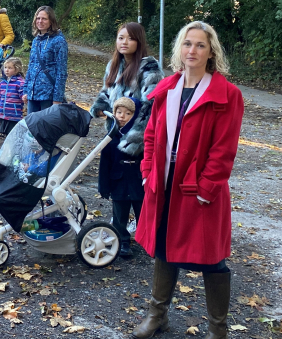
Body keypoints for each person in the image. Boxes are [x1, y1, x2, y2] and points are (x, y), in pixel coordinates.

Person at [132, 21, 244, 339]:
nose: (192, 50)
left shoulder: (227, 95)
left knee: (211, 259)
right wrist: (147, 172)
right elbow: (151, 135)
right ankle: (157, 316)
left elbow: (224, 150)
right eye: (187, 44)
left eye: (200, 45)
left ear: (211, 53)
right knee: (164, 248)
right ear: (179, 49)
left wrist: (208, 188)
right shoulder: (168, 88)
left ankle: (217, 330)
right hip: (164, 184)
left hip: (198, 189)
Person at [91, 22, 163, 158]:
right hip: (113, 131)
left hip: (136, 140)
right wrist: (100, 106)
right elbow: (106, 91)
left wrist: (133, 140)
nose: (125, 42)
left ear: (139, 41)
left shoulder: (149, 68)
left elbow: (151, 106)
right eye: (121, 38)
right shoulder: (113, 66)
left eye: (131, 38)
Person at [97, 96, 144, 258]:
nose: (122, 116)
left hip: (138, 182)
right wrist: (103, 185)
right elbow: (104, 164)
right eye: (119, 112)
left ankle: (145, 239)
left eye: (128, 113)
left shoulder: (141, 137)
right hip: (118, 182)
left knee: (143, 213)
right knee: (119, 215)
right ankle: (122, 240)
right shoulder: (110, 138)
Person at [23, 6, 68, 113]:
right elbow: (31, 67)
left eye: (44, 19)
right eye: (38, 18)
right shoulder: (36, 41)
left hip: (48, 95)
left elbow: (61, 72)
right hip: (33, 94)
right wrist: (26, 90)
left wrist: (57, 98)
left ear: (51, 21)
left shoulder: (59, 41)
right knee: (32, 127)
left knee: (46, 128)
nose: (40, 21)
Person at [0, 57, 26, 136]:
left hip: (14, 114)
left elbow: (23, 97)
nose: (6, 70)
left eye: (10, 68)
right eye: (5, 67)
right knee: (2, 136)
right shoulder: (2, 83)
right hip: (3, 114)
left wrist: (25, 97)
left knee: (13, 135)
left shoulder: (20, 83)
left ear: (17, 69)